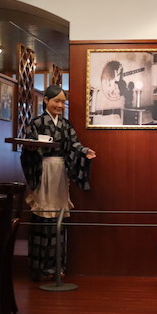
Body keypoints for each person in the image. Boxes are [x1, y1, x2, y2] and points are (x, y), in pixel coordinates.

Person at [20, 85, 97, 281]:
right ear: (46, 100)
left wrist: (85, 151)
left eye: (63, 102)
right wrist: (31, 148)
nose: (60, 106)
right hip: (43, 171)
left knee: (59, 219)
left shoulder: (65, 124)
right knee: (41, 219)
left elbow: (74, 144)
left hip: (60, 172)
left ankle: (57, 266)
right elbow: (29, 147)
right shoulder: (37, 123)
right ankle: (38, 267)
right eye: (57, 101)